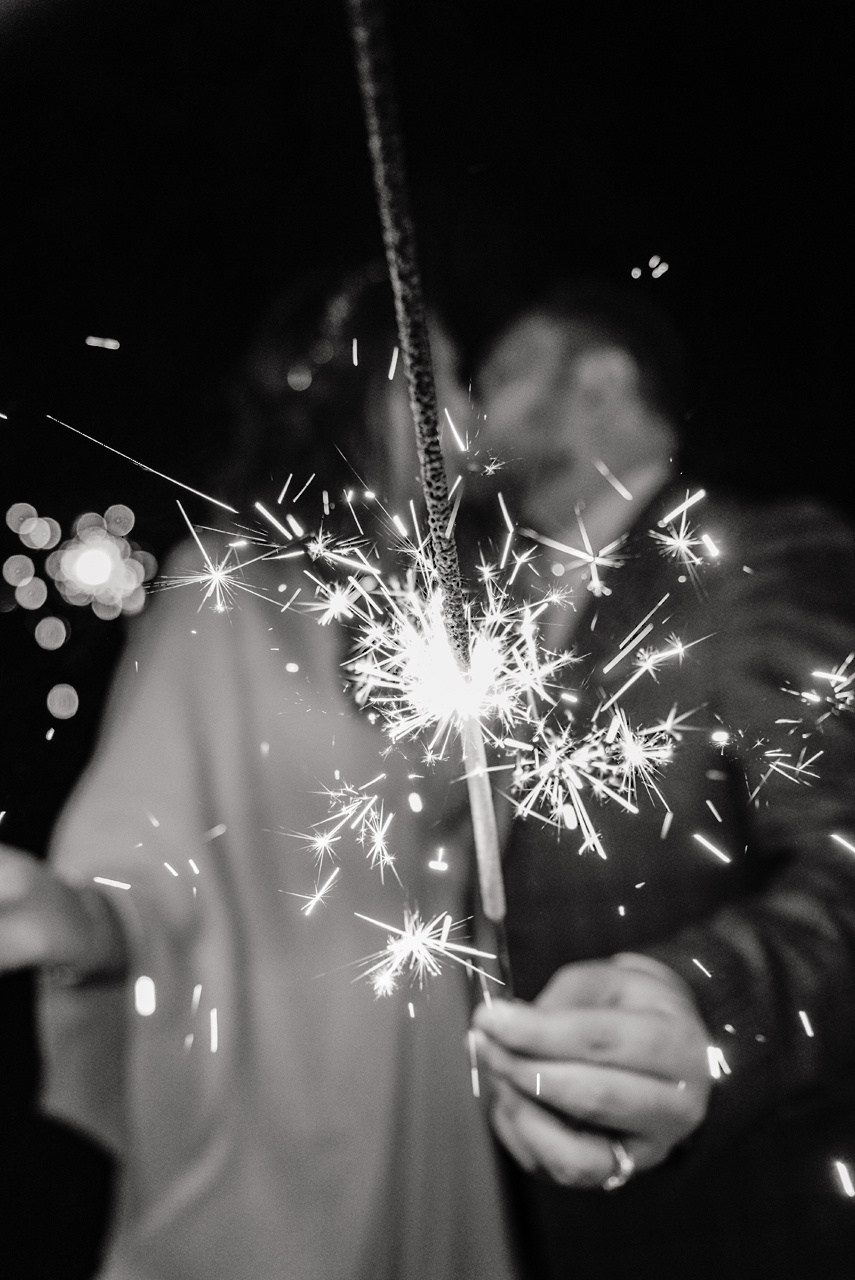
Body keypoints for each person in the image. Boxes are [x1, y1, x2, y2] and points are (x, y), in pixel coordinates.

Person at [0, 267, 521, 1280]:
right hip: (274, 1102)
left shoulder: (453, 613)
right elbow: (145, 844)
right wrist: (81, 921)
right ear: (367, 390)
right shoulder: (229, 590)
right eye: (442, 374)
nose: (465, 409)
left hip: (423, 1089)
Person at [466, 282, 855, 1277]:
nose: (469, 410)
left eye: (502, 378)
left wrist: (692, 1005)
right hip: (563, 1226)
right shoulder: (511, 613)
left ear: (599, 383)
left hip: (746, 1222)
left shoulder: (752, 557)